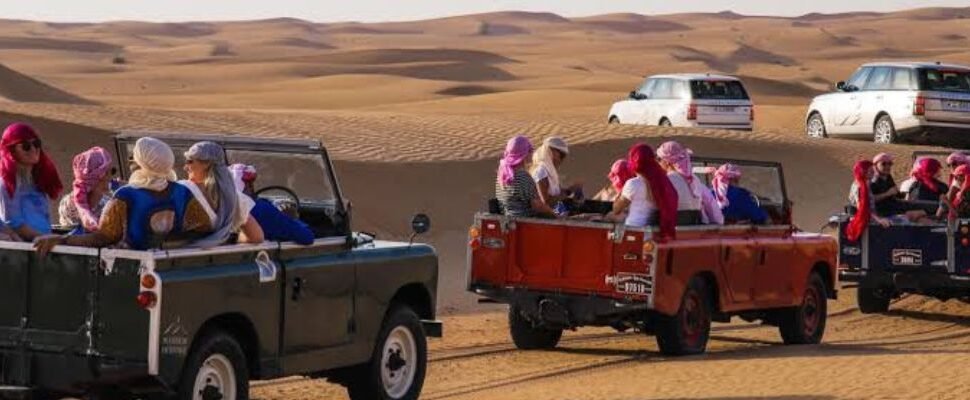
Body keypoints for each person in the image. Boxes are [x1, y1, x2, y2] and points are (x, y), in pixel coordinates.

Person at [33, 137, 213, 255]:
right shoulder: (182, 192)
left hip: (131, 269)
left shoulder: (124, 196)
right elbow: (204, 226)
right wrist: (167, 243)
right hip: (168, 264)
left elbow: (102, 238)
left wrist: (63, 239)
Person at [181, 141, 263, 246]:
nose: (185, 167)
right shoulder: (235, 198)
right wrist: (228, 239)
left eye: (190, 161)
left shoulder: (181, 190)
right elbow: (257, 237)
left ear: (206, 164)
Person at [0, 123, 63, 241]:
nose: (34, 149)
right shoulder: (7, 183)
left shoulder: (37, 181)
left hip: (42, 246)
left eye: (36, 144)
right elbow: (14, 223)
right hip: (23, 252)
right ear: (12, 150)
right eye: (26, 146)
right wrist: (44, 238)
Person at [606, 143, 678, 241]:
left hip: (632, 234)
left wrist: (622, 189)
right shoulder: (662, 183)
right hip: (653, 233)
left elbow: (616, 209)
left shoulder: (633, 184)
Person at [230, 163, 314, 245]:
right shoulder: (261, 209)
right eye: (250, 184)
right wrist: (291, 218)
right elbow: (307, 237)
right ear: (248, 186)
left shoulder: (222, 209)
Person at [655, 141, 723, 225]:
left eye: (659, 159)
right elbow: (711, 205)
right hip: (695, 225)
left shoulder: (667, 180)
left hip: (675, 226)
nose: (658, 163)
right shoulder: (694, 180)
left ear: (666, 161)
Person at [495, 136, 556, 218]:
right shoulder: (522, 176)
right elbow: (537, 205)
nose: (531, 154)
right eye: (529, 151)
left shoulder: (502, 174)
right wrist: (555, 215)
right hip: (524, 221)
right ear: (524, 154)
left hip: (507, 218)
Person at [58, 147, 114, 234]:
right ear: (102, 175)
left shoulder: (67, 202)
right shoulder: (69, 205)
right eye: (111, 171)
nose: (112, 176)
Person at [531, 137, 582, 214]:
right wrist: (568, 191)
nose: (561, 160)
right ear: (550, 151)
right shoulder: (541, 172)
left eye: (564, 157)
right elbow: (546, 202)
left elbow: (558, 194)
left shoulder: (549, 171)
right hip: (548, 216)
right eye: (561, 155)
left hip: (556, 212)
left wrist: (573, 190)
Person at [847, 160, 890, 242]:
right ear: (863, 172)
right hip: (864, 221)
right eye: (870, 171)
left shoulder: (865, 184)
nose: (873, 172)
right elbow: (863, 208)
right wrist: (879, 220)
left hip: (870, 218)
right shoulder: (859, 186)